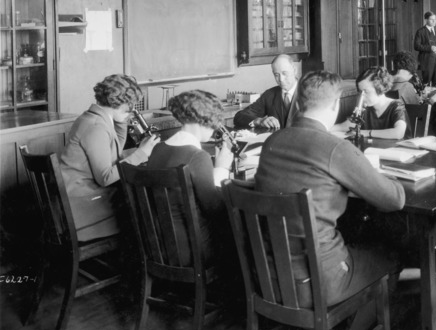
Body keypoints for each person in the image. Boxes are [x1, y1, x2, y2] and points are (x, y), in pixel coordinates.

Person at [255, 71, 405, 330]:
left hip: (271, 275)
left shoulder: (272, 141)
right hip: (321, 280)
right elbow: (394, 199)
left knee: (353, 237)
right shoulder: (335, 148)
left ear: (299, 104)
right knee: (392, 256)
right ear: (336, 105)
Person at [59, 74, 159, 241]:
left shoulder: (92, 117)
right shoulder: (96, 127)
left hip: (77, 198)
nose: (132, 110)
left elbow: (115, 147)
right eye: (130, 106)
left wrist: (121, 120)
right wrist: (142, 153)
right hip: (83, 209)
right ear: (117, 103)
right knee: (147, 211)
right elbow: (105, 178)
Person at [145, 90, 234, 266]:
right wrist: (222, 168)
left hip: (159, 246)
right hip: (193, 251)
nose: (214, 128)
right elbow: (215, 208)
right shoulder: (197, 156)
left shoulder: (158, 149)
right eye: (213, 123)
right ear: (200, 121)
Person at [333, 66, 410, 140]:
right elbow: (345, 126)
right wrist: (325, 128)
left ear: (380, 88)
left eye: (366, 91)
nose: (362, 96)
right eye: (360, 92)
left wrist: (366, 133)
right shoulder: (365, 108)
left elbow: (398, 133)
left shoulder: (396, 106)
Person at [233, 54, 299, 130]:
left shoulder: (309, 93)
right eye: (276, 75)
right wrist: (259, 121)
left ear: (295, 70)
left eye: (285, 73)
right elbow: (240, 116)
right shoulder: (269, 95)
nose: (281, 79)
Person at [413, 11, 436, 84]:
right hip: (427, 62)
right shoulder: (420, 31)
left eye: (435, 19)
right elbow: (416, 46)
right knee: (426, 83)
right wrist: (429, 48)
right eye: (431, 19)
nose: (434, 21)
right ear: (426, 20)